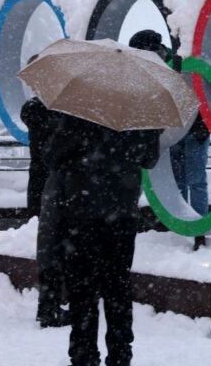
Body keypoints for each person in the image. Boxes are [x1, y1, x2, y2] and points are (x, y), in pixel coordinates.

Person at [43, 110, 162, 366]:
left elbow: (51, 157)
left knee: (82, 289)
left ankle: (84, 354)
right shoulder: (140, 114)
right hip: (121, 215)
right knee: (117, 287)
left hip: (80, 214)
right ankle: (120, 354)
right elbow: (150, 159)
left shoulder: (80, 111)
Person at [129, 30, 210, 249]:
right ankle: (181, 224)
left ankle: (198, 227)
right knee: (180, 181)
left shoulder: (178, 62)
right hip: (172, 132)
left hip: (192, 130)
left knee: (195, 180)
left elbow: (199, 93)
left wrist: (202, 125)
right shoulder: (155, 67)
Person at [21, 85, 68, 328]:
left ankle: (48, 304)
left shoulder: (32, 109)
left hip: (41, 189)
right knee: (58, 249)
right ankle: (52, 306)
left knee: (48, 250)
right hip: (58, 190)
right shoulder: (59, 115)